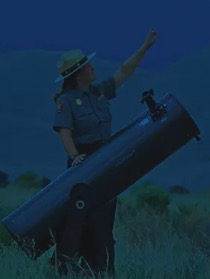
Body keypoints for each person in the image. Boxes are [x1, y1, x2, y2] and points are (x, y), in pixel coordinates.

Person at [51, 29, 158, 277]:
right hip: (84, 166)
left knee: (103, 226)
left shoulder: (98, 93)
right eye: (88, 66)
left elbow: (123, 73)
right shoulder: (65, 101)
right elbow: (65, 132)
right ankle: (76, 269)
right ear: (78, 74)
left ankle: (102, 270)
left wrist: (145, 47)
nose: (92, 68)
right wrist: (75, 156)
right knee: (84, 225)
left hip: (106, 164)